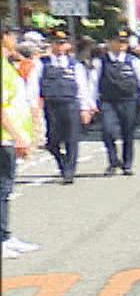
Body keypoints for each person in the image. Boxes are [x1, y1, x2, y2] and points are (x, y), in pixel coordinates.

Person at [89, 29, 140, 176]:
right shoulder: (101, 62)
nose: (122, 44)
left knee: (128, 133)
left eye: (125, 41)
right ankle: (113, 161)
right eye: (119, 41)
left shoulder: (134, 61)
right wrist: (91, 104)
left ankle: (127, 164)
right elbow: (93, 84)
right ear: (111, 43)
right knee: (107, 131)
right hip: (108, 102)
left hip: (129, 101)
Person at [37, 31, 92, 183]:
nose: (60, 47)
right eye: (56, 43)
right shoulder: (42, 63)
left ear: (68, 45)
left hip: (71, 104)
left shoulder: (75, 65)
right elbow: (33, 87)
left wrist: (85, 108)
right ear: (51, 44)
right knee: (52, 141)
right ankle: (62, 163)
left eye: (62, 43)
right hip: (51, 105)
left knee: (72, 139)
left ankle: (69, 172)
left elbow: (82, 88)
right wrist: (33, 106)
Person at [1, 41, 36, 258]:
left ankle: (5, 235)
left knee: (5, 190)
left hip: (8, 138)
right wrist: (18, 136)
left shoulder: (7, 65)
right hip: (4, 137)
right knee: (2, 190)